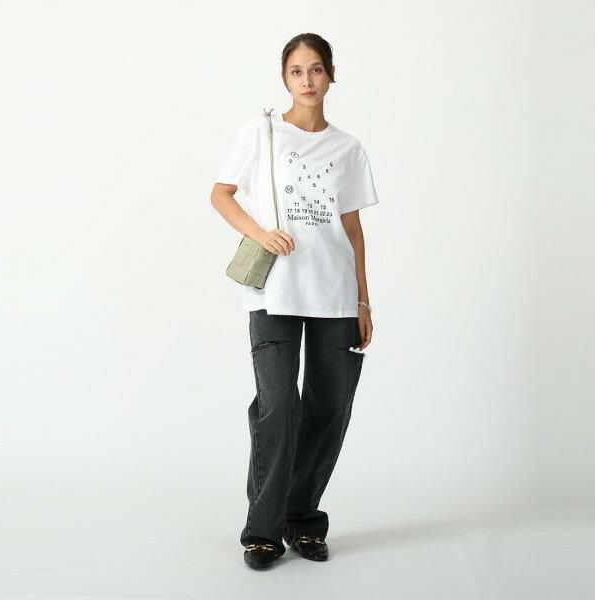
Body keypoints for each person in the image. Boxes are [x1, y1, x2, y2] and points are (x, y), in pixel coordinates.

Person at [210, 33, 379, 569]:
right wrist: (260, 234)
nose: (308, 80)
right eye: (297, 71)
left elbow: (353, 229)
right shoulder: (260, 134)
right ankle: (262, 530)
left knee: (329, 409)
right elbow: (220, 193)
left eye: (317, 70)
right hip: (273, 291)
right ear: (284, 79)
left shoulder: (348, 148)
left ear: (331, 75)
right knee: (278, 407)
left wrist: (364, 301)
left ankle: (302, 519)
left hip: (335, 292)